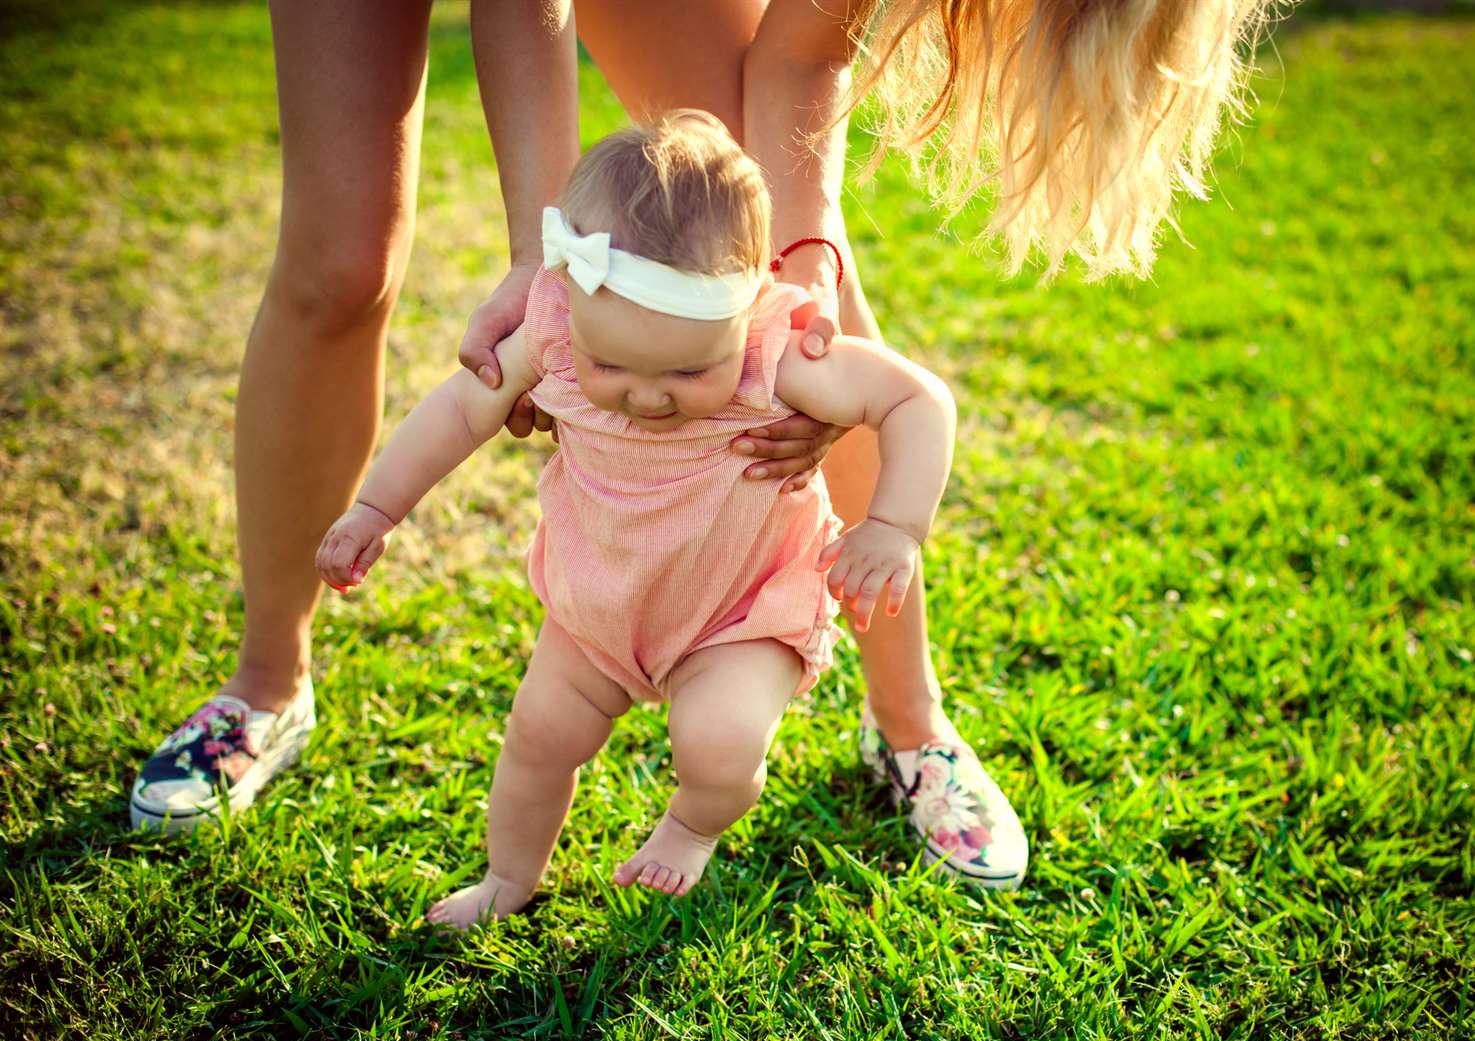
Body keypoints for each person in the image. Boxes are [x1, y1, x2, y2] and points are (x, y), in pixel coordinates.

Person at [130, 0, 1274, 890]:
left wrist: (807, 256)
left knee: (798, 315)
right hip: (596, 614)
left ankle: (909, 726)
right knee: (341, 261)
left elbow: (795, 62)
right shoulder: (565, 347)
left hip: (748, 612)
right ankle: (265, 683)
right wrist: (552, 265)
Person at [317, 112, 963, 923]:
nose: (647, 395)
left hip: (740, 611)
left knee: (719, 746)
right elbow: (459, 411)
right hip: (598, 607)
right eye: (609, 364)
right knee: (538, 737)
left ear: (752, 300)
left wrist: (894, 525)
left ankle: (691, 827)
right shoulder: (553, 325)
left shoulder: (776, 350)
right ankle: (507, 880)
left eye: (690, 370)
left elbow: (918, 398)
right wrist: (379, 505)